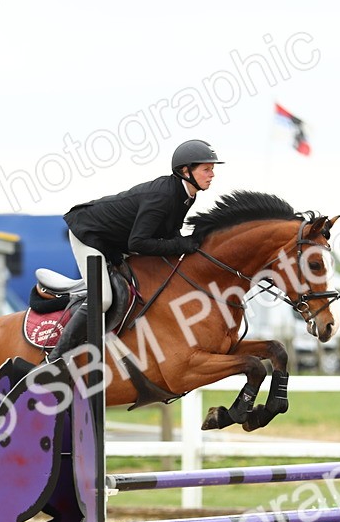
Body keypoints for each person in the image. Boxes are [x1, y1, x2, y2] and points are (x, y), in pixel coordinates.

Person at [48, 139, 223, 360]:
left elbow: (170, 234)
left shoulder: (187, 195)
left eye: (212, 170)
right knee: (102, 299)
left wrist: (190, 245)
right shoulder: (164, 196)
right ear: (185, 171)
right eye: (207, 169)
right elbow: (138, 243)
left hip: (114, 241)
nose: (212, 174)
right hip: (89, 233)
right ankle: (55, 357)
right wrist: (182, 244)